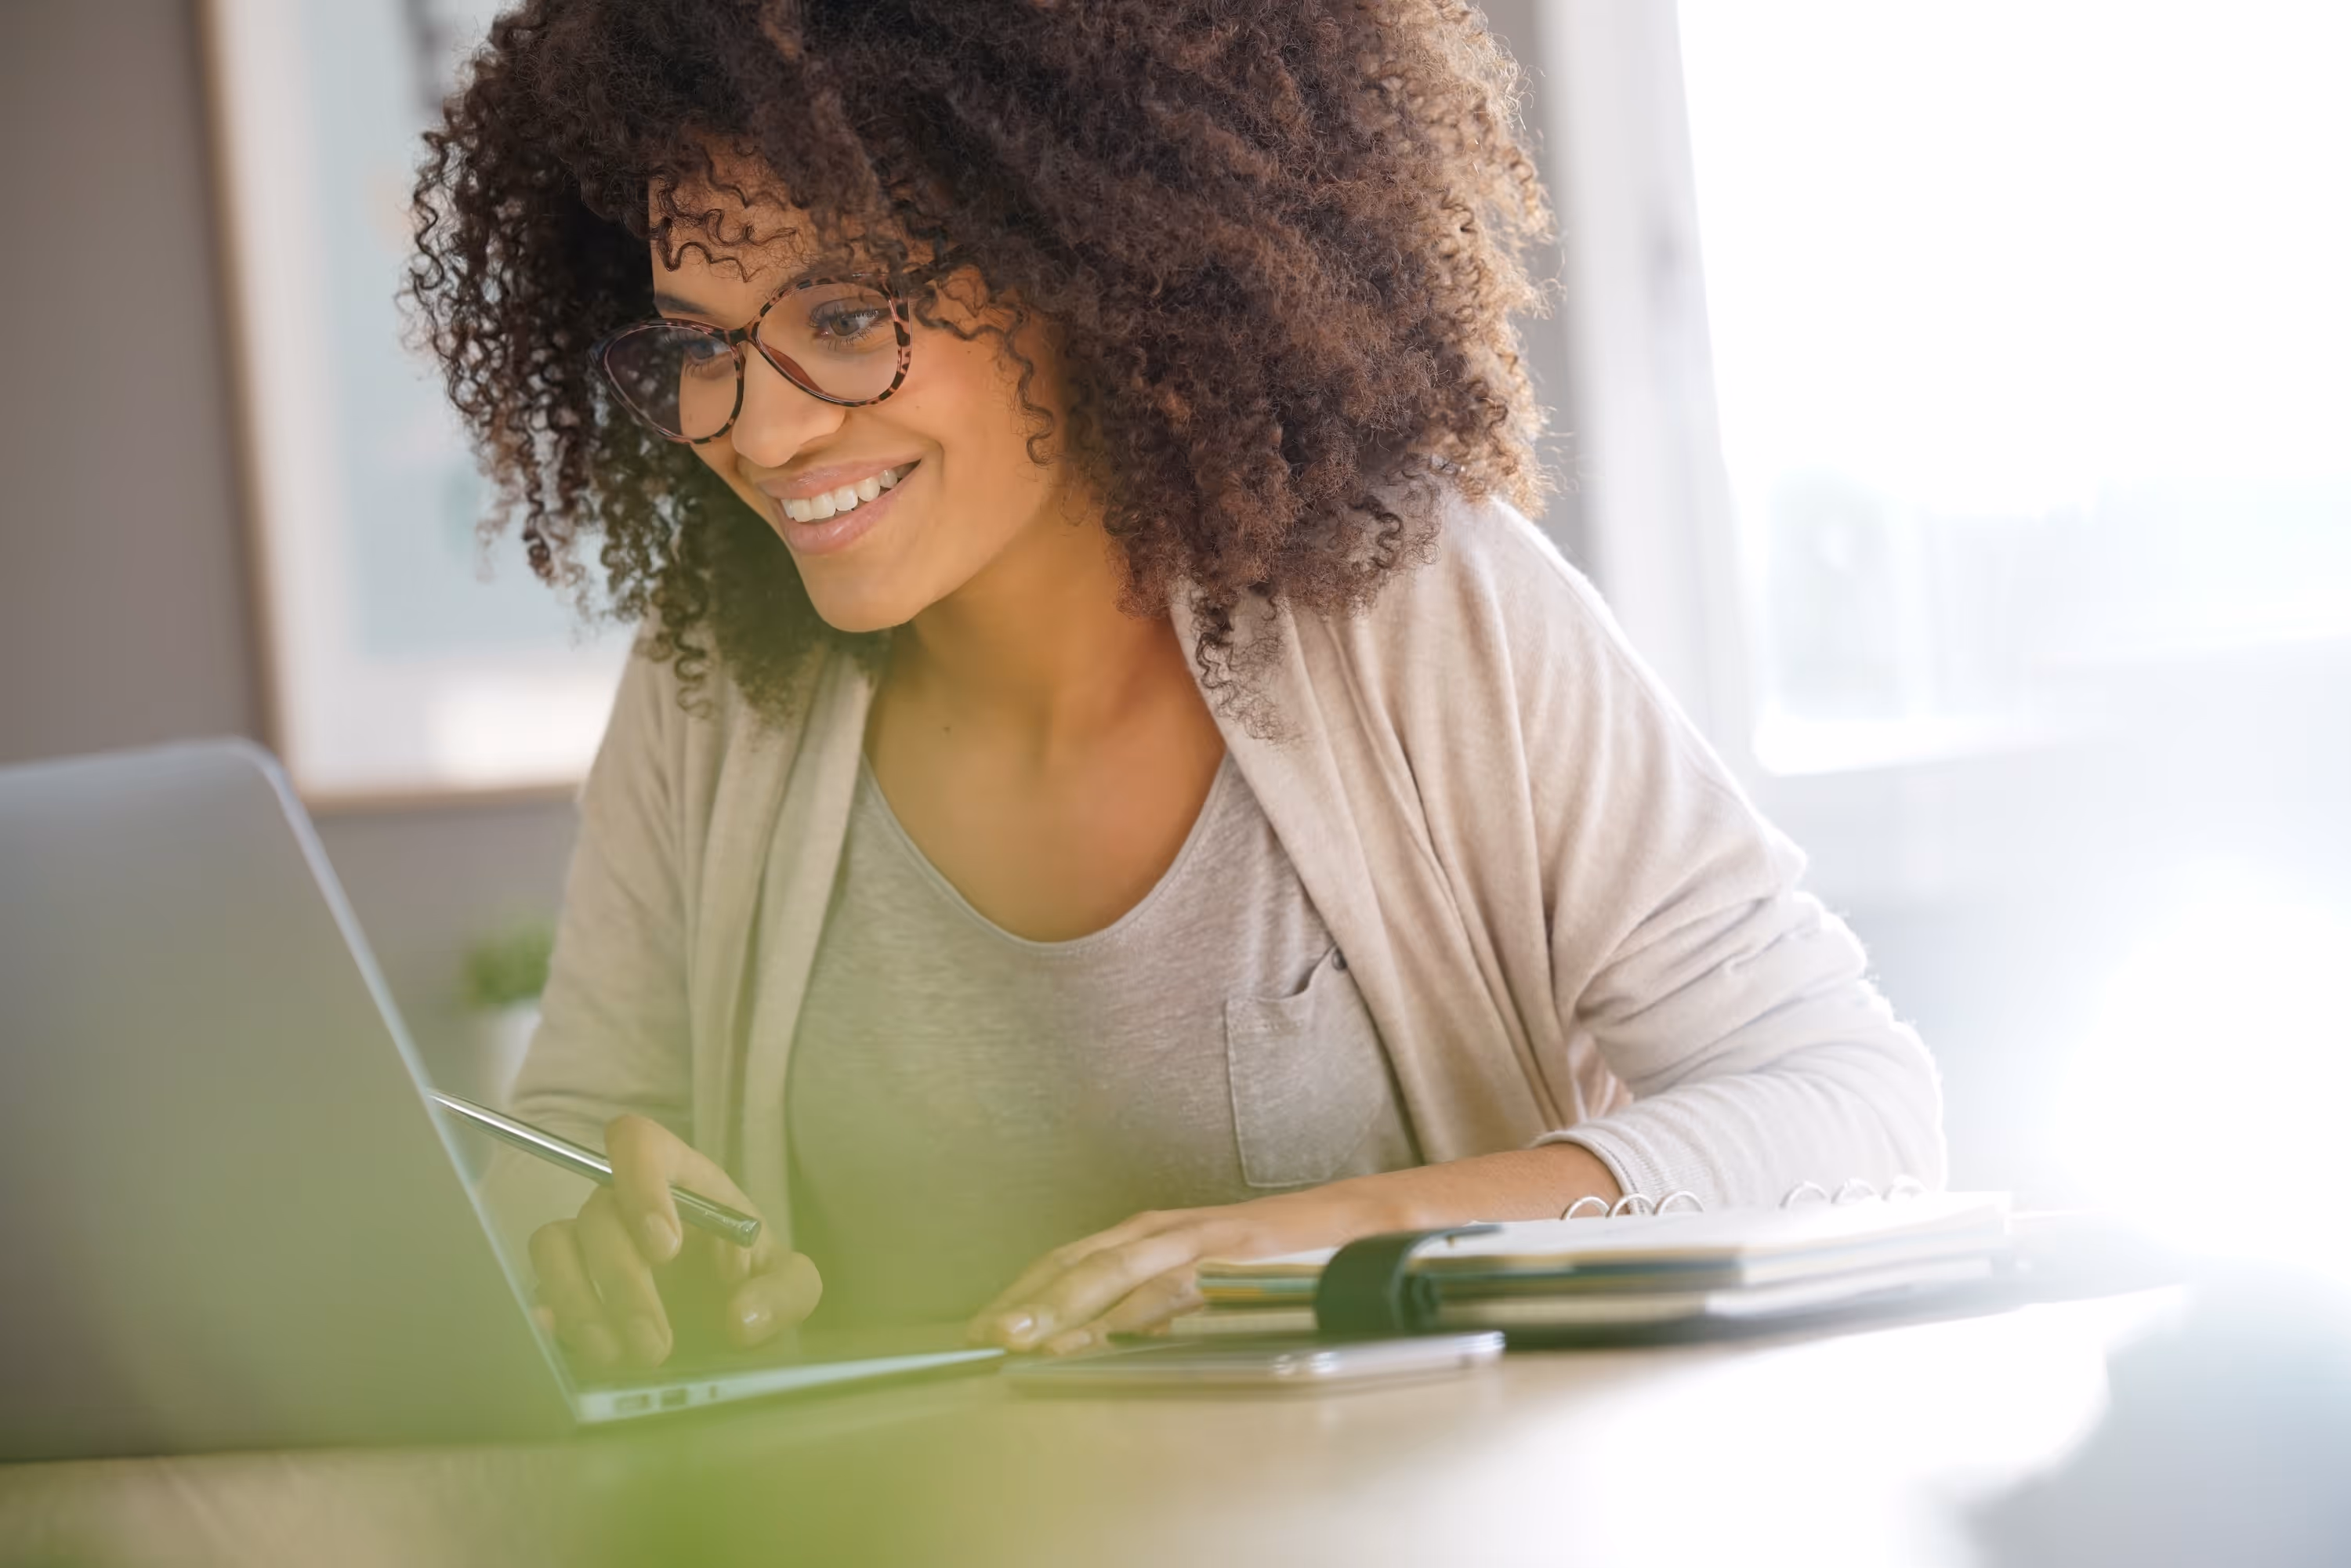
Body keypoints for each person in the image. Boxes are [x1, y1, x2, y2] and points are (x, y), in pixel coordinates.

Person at [408, 0, 1943, 1371]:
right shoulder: (713, 695)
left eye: (851, 317)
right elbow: (562, 1144)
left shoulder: (1419, 610)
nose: (762, 430)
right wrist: (599, 1257)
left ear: (1078, 262)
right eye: (698, 346)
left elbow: (1855, 1108)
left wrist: (1361, 1233)